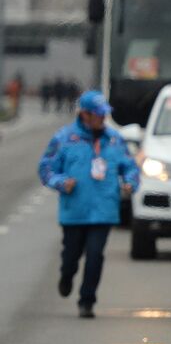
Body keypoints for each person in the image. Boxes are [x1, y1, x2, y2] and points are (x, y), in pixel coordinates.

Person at [38, 89, 139, 318]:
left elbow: (131, 167)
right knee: (71, 256)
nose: (102, 119)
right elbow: (46, 169)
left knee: (95, 255)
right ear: (85, 114)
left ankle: (87, 300)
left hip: (104, 210)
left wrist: (130, 184)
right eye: (98, 114)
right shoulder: (64, 138)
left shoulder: (114, 139)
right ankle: (66, 276)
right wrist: (62, 182)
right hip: (75, 211)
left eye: (104, 114)